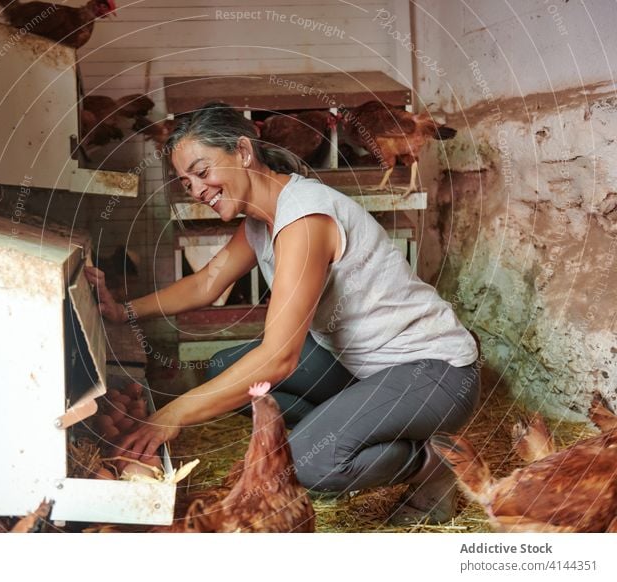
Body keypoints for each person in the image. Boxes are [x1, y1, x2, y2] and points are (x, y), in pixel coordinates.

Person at [85, 102, 480, 525]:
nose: (197, 189)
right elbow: (208, 282)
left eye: (202, 172)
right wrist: (122, 312)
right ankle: (353, 427)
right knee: (228, 369)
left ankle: (432, 464)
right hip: (365, 367)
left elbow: (280, 357)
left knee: (310, 462)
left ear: (242, 151)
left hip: (435, 371)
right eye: (186, 182)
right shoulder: (260, 220)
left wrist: (173, 413)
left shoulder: (304, 218)